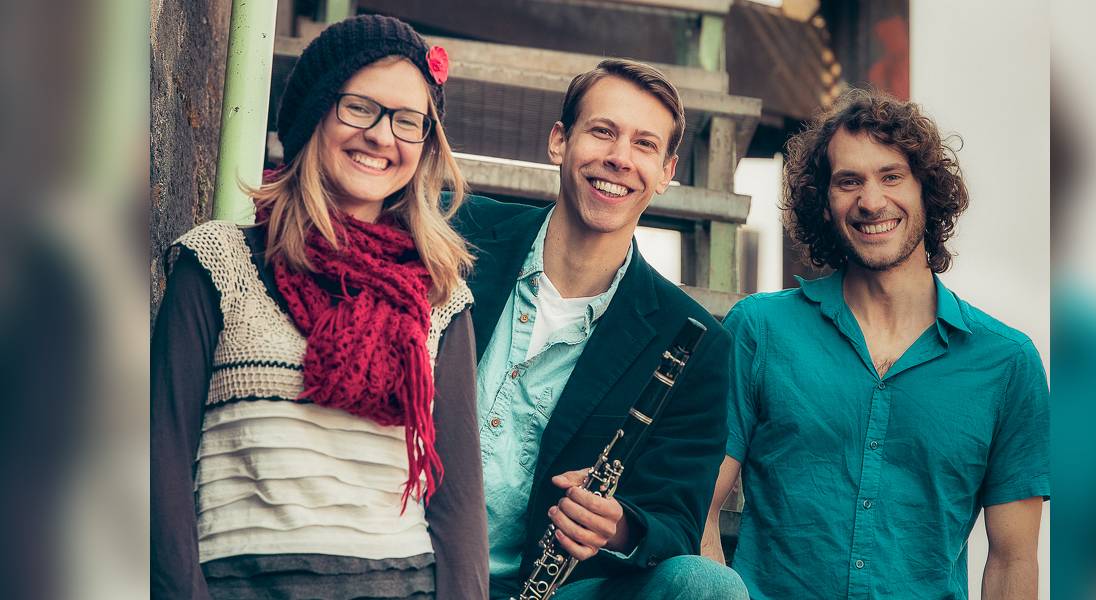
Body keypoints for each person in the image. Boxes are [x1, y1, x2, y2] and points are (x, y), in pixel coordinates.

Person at [151, 15, 487, 599]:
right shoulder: (217, 263)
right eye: (359, 108)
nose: (382, 136)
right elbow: (159, 464)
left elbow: (458, 509)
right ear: (314, 115)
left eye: (408, 121)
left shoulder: (438, 297)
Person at [702, 89, 1049, 599]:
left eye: (891, 176)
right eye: (849, 181)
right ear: (824, 204)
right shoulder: (760, 330)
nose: (871, 201)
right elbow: (698, 505)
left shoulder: (1007, 364)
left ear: (927, 192)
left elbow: (1012, 560)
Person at [451, 59, 747, 599]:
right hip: (409, 561)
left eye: (644, 145)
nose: (620, 158)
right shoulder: (457, 232)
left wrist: (618, 526)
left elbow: (677, 519)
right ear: (559, 141)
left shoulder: (695, 341)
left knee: (707, 586)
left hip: (545, 591)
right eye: (603, 131)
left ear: (666, 172)